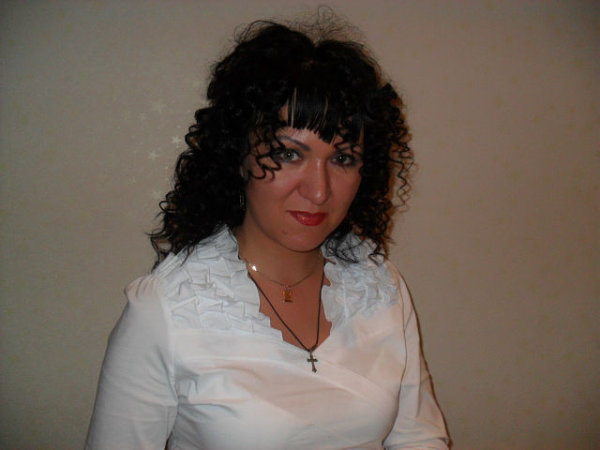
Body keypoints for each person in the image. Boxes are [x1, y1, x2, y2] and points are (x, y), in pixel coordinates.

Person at [86, 15, 449, 450]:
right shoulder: (167, 310)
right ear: (238, 153)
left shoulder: (380, 288)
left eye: (343, 159)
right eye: (289, 154)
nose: (319, 191)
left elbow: (418, 438)